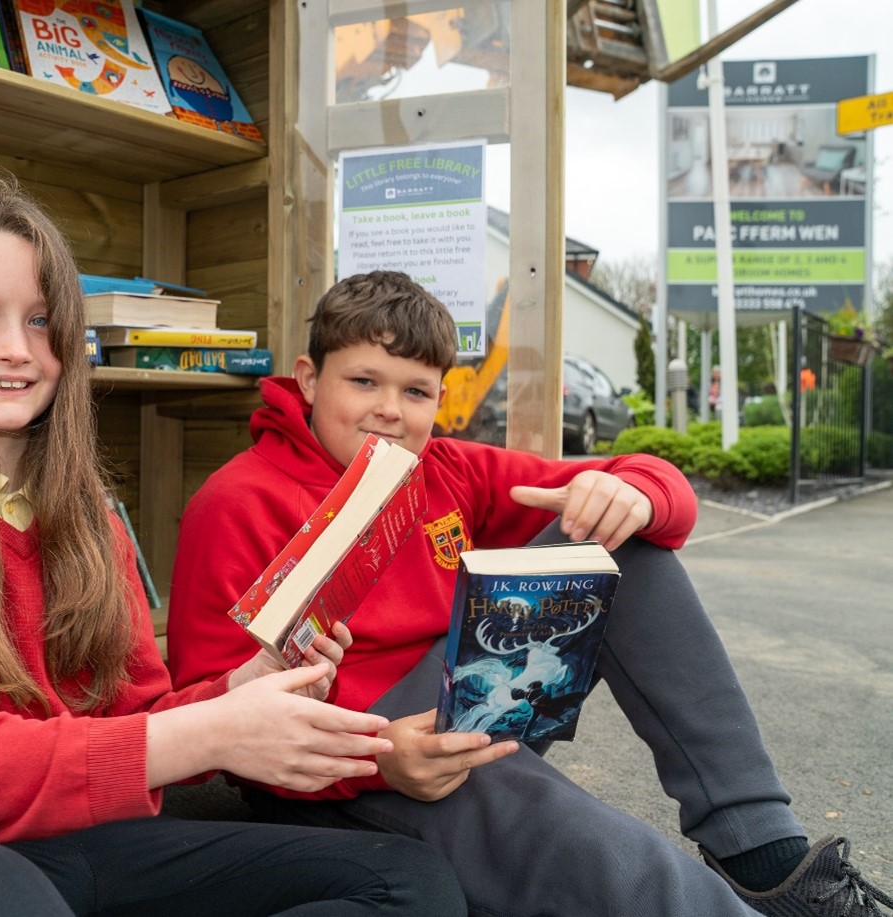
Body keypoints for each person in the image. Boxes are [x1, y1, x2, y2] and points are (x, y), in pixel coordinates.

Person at [0, 181, 466, 916]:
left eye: (42, 320)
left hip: (86, 835)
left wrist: (239, 690)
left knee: (410, 881)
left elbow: (140, 713)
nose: (15, 349)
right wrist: (204, 730)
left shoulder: (89, 520)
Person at [168, 270, 893, 917]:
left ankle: (764, 853)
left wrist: (631, 493)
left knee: (617, 538)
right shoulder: (233, 502)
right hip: (339, 769)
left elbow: (642, 478)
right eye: (363, 381)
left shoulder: (444, 467)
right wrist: (377, 754)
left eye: (415, 390)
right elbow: (209, 723)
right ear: (306, 377)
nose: (389, 409)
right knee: (604, 854)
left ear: (438, 399)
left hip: (469, 694)